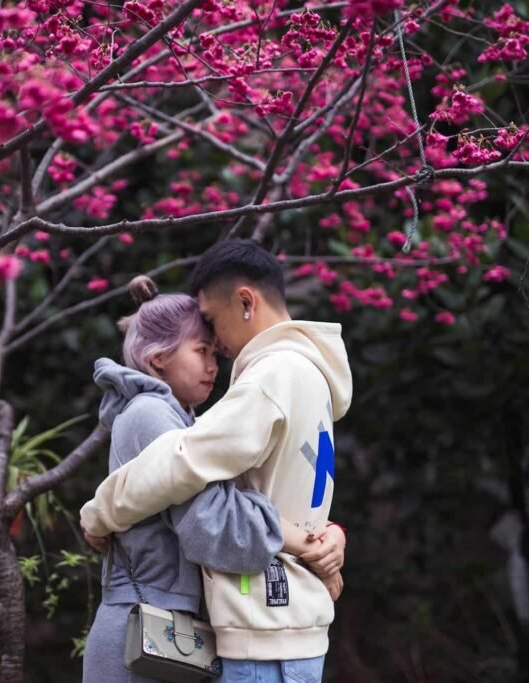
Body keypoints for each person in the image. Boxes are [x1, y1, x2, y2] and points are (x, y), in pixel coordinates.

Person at [81, 240, 352, 682]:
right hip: (274, 621)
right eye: (200, 346)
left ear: (246, 302)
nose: (217, 353)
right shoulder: (309, 374)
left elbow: (186, 464)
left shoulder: (271, 375)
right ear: (157, 358)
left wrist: (99, 510)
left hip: (263, 623)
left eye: (211, 325)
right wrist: (317, 540)